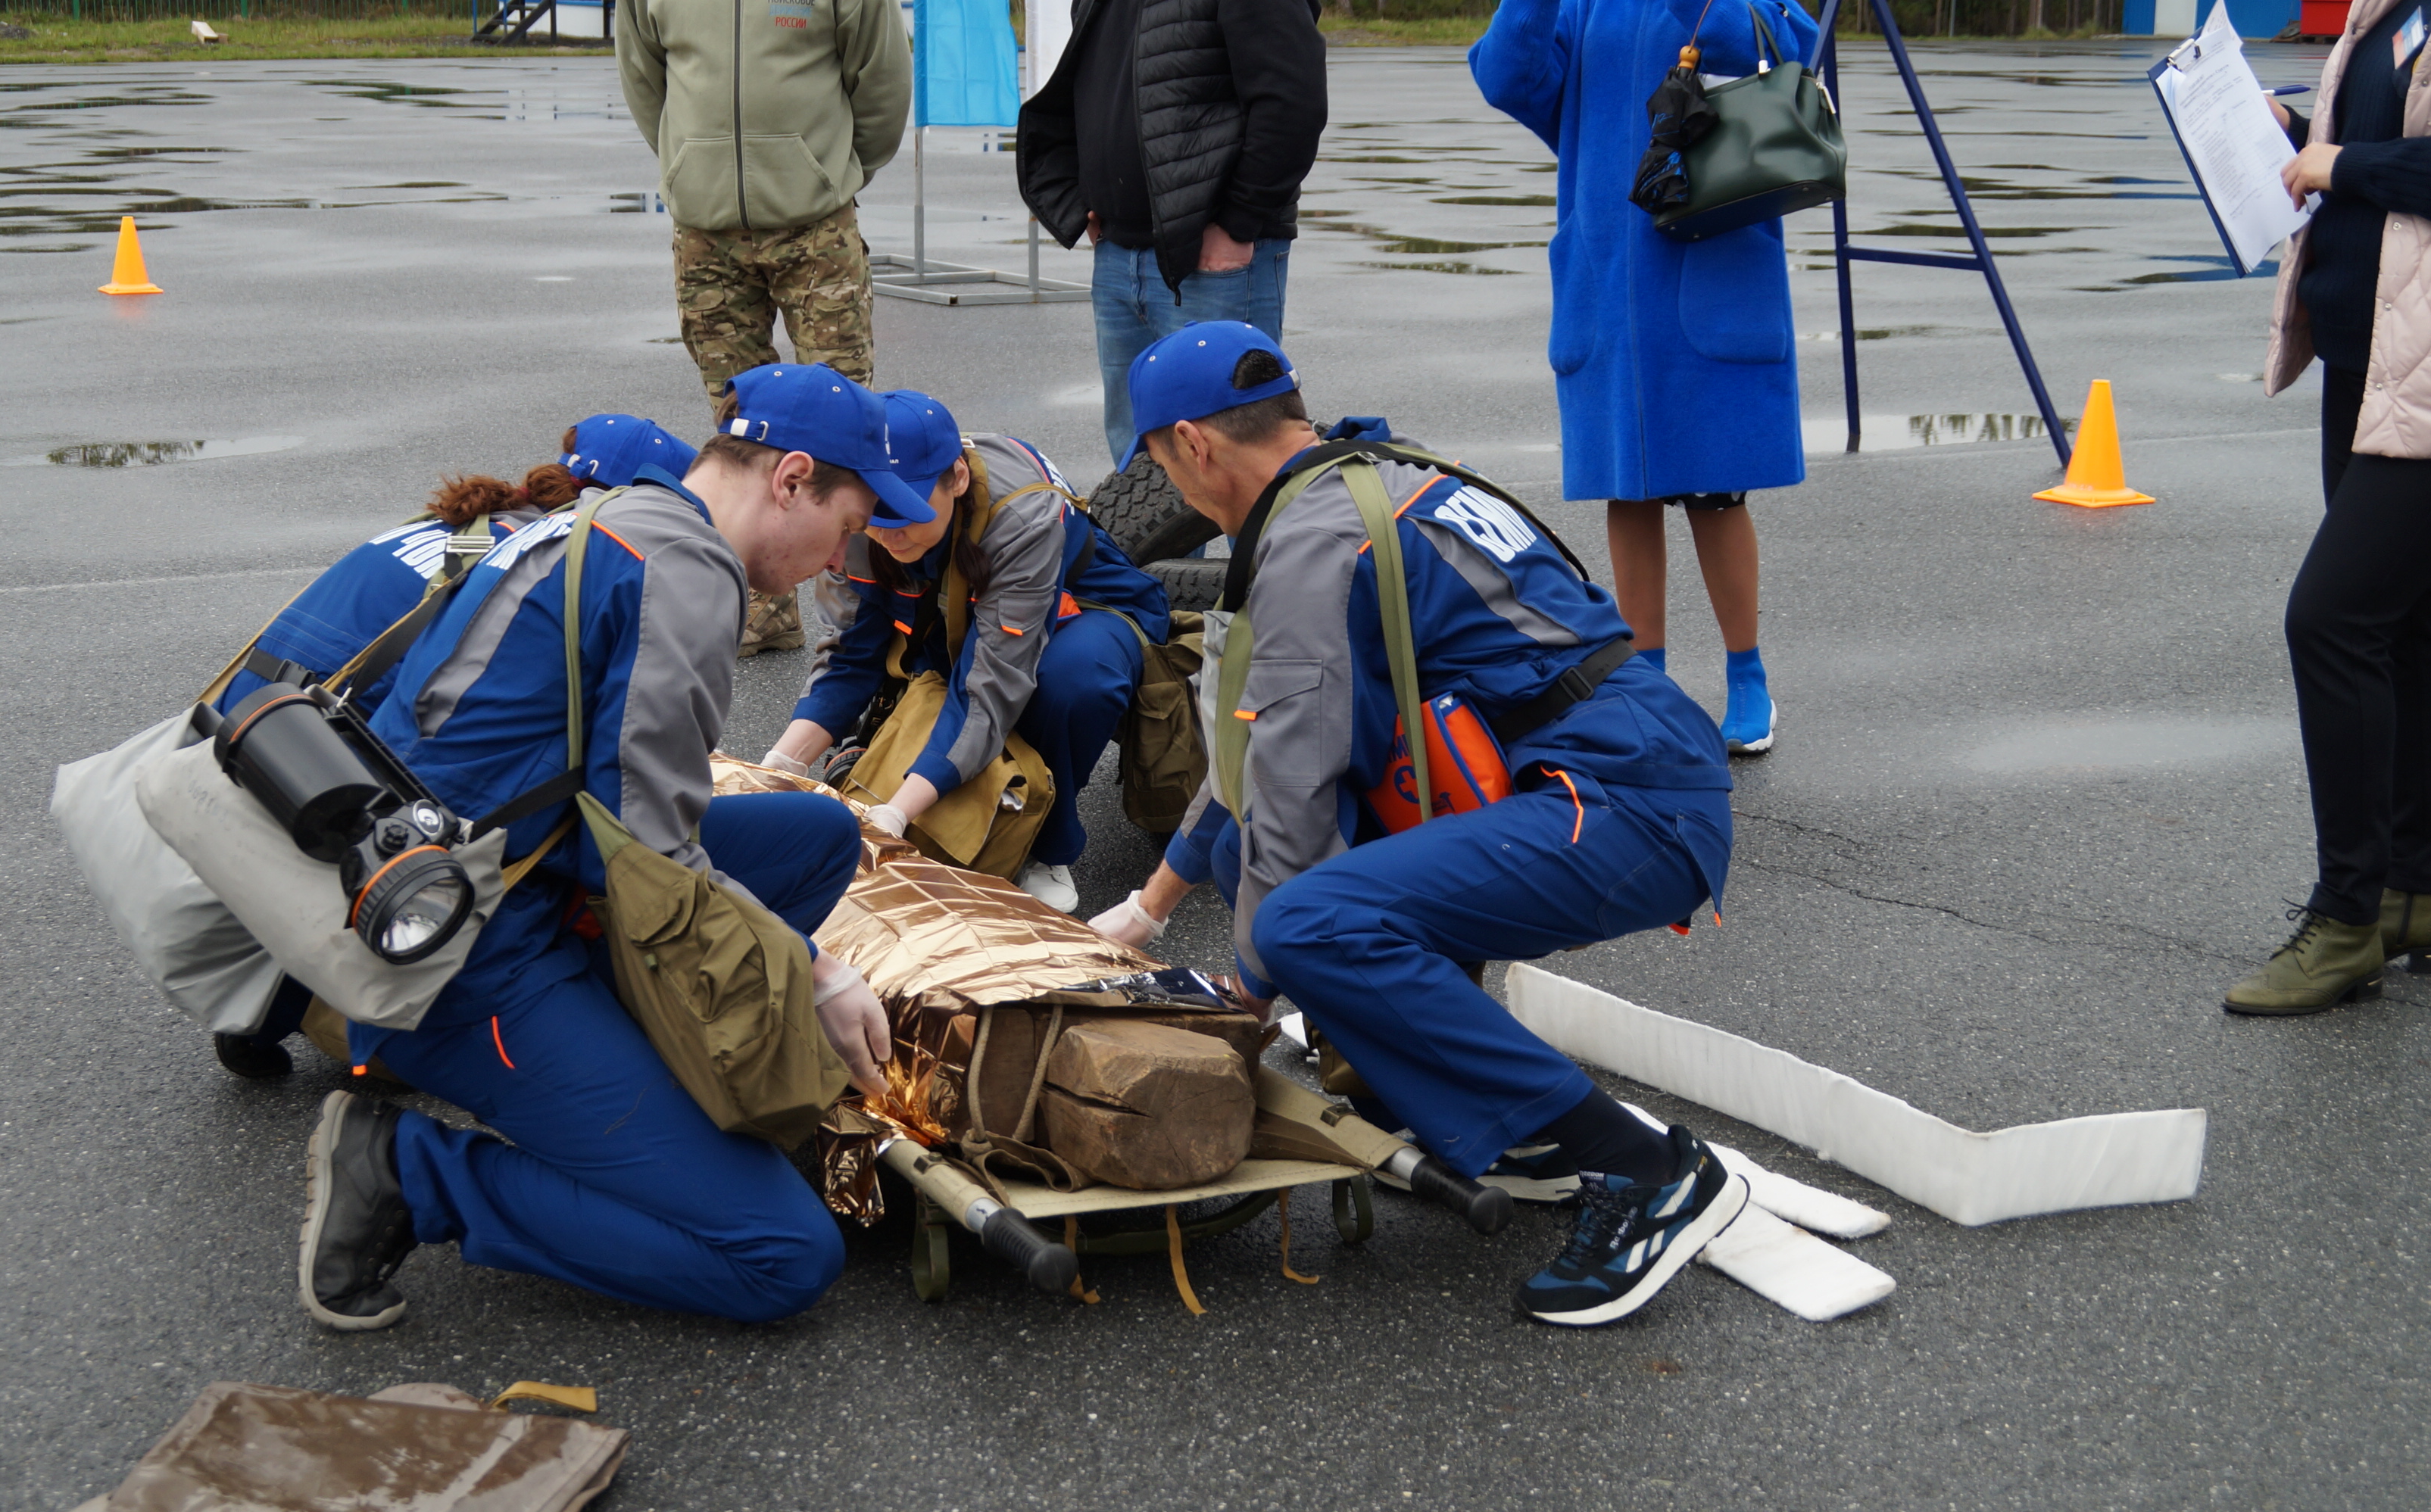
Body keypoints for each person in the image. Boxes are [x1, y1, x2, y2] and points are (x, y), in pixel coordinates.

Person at [1109, 321, 1743, 1326]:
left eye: (1159, 467)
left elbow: (1292, 790)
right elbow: (1258, 755)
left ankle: (1647, 1174)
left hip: (1627, 799)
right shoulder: (1374, 475)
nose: (1177, 499)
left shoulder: (1314, 542)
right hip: (1625, 767)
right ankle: (1505, 1122)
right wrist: (1154, 904)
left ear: (1192, 445)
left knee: (1303, 923)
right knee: (1260, 871)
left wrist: (1244, 995)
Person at [295, 366, 932, 1331]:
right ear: (792, 478)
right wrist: (809, 969)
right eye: (846, 529)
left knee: (815, 833)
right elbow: (644, 857)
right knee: (784, 1256)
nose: (841, 560)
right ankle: (404, 1170)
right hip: (471, 960)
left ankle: (636, 1068)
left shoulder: (628, 512)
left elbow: (620, 812)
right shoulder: (684, 572)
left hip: (463, 871)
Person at [202, 416, 699, 1080]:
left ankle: (260, 1009)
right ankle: (314, 1009)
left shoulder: (468, 521)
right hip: (310, 748)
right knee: (481, 813)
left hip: (252, 714)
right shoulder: (534, 551)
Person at [1467, 0, 1817, 756]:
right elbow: (1505, 77)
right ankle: (1647, 684)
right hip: (1607, 278)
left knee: (1717, 490)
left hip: (1711, 264)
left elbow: (1785, 47)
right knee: (1627, 488)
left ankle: (1746, 675)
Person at [2224, 3, 2431, 1013]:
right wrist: (2292, 143)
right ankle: (2420, 892)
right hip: (2372, 355)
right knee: (2404, 621)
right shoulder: (2391, 8)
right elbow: (2373, 135)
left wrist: (2350, 168)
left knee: (2331, 618)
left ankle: (2346, 920)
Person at [758, 391, 1172, 913]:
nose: (889, 530)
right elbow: (846, 656)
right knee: (939, 696)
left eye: (906, 508)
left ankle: (1046, 842)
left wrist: (895, 815)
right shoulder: (859, 513)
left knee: (1070, 682)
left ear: (956, 478)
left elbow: (989, 686)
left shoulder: (1021, 515)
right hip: (956, 617)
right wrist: (780, 765)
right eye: (876, 513)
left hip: (1081, 610)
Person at [617, 0, 909, 661]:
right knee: (737, 423)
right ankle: (758, 607)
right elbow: (645, 80)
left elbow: (883, 82)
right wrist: (690, 165)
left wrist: (831, 169)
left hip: (815, 224)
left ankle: (859, 615)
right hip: (706, 227)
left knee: (843, 425)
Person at [1014, 0, 1326, 468]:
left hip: (1215, 259)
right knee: (1140, 464)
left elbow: (1293, 102)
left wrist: (1238, 222)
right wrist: (1088, 200)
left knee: (1238, 460)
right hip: (1120, 254)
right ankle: (1156, 549)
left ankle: (1262, 546)